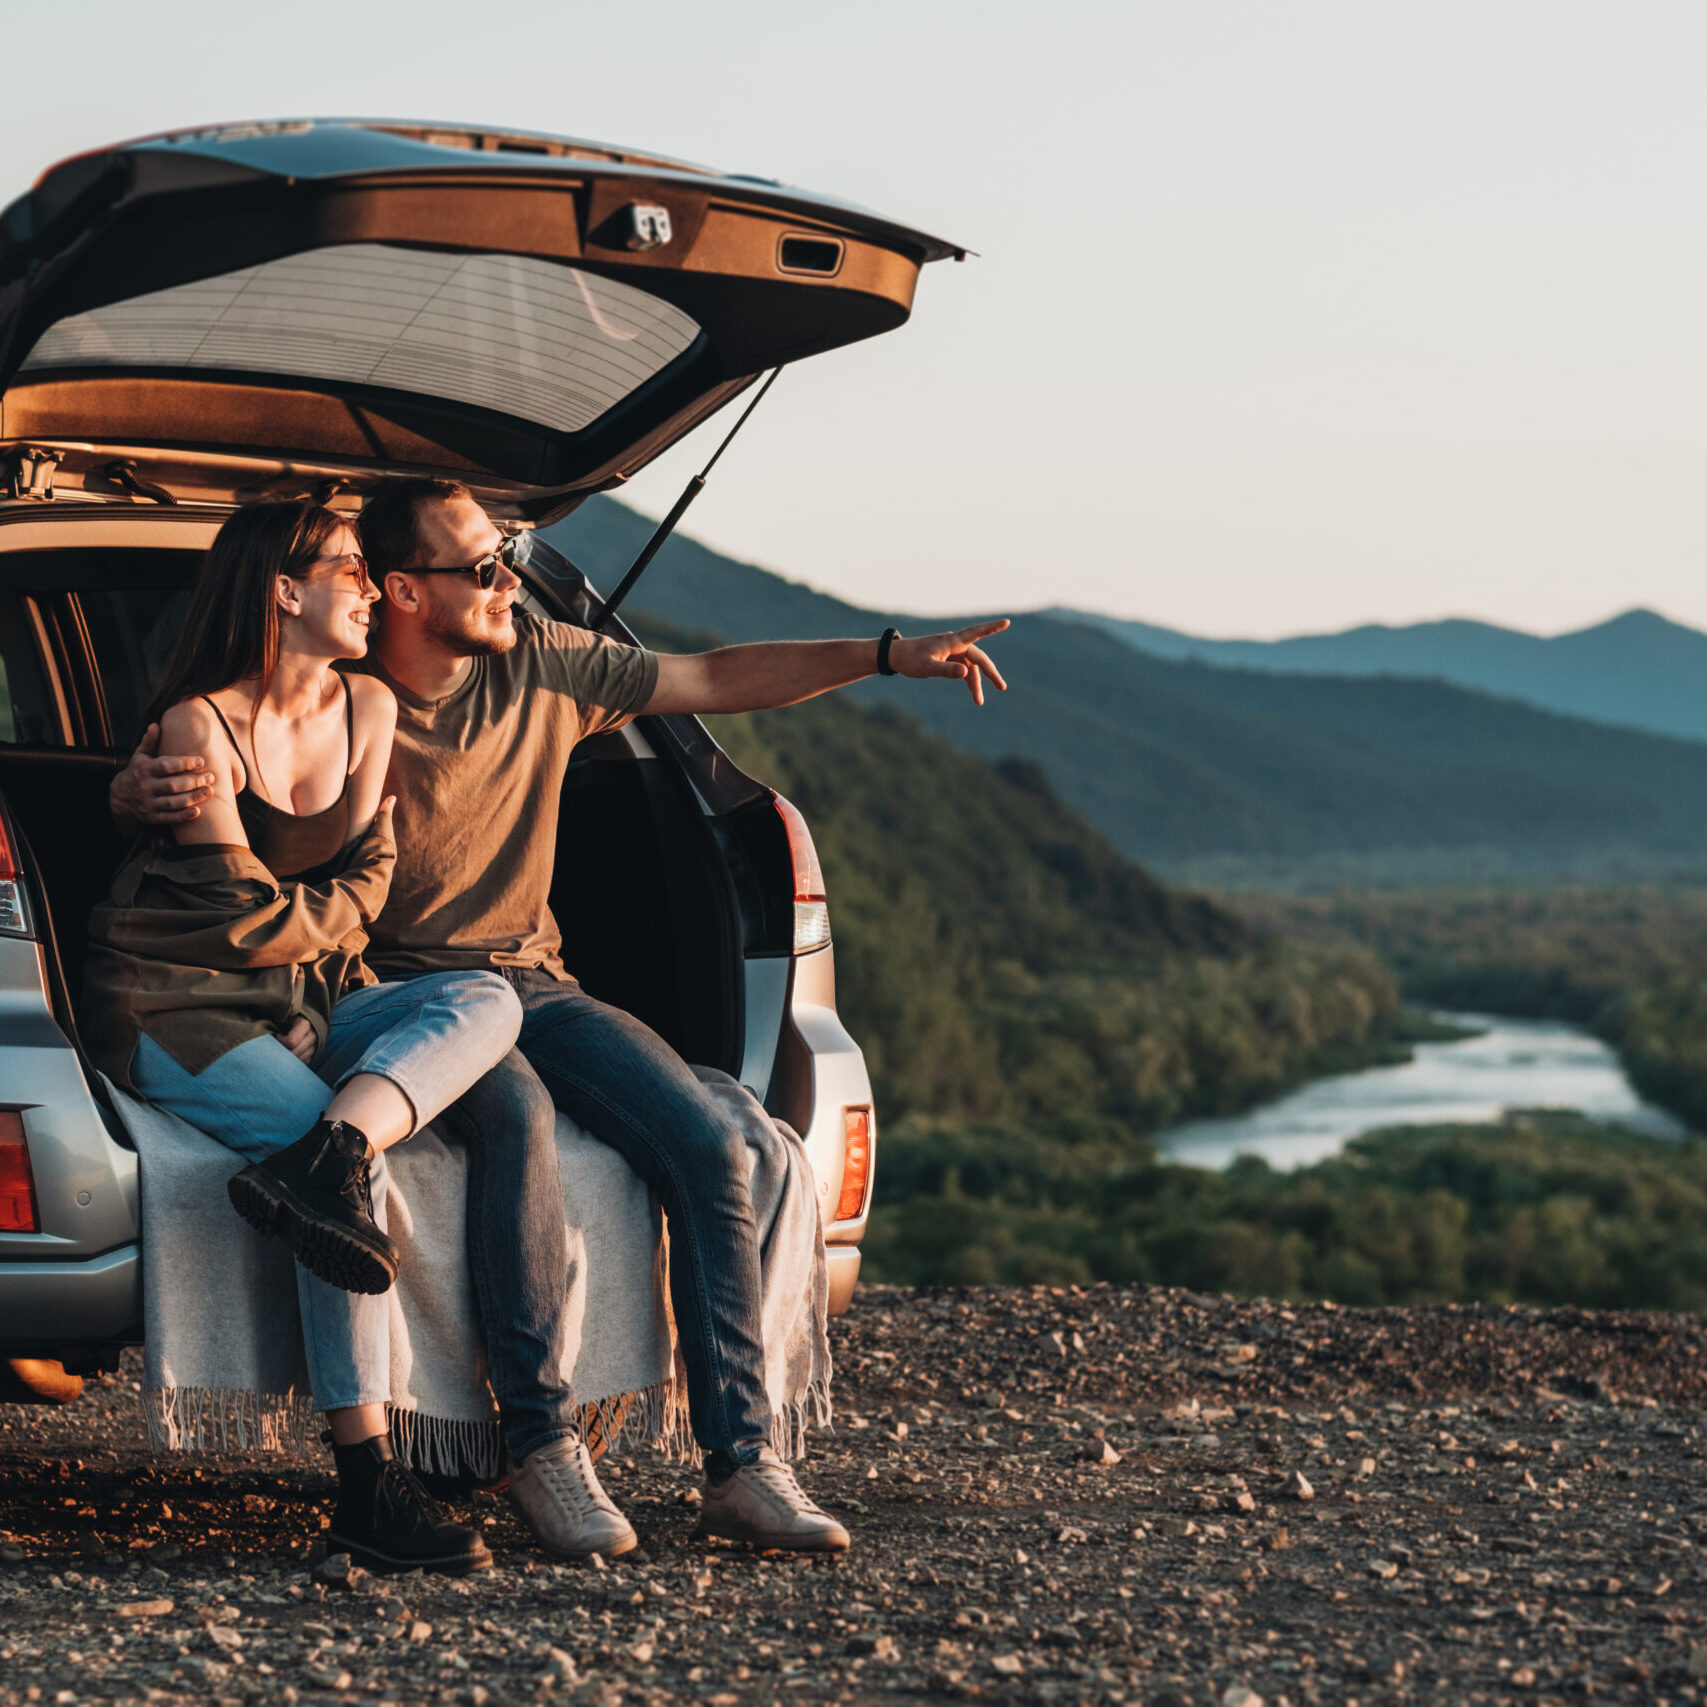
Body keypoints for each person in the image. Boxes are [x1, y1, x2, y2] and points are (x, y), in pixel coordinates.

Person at [115, 477, 1009, 1560]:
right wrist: (138, 787)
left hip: (531, 979)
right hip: (389, 992)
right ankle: (543, 1447)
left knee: (713, 1137)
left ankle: (742, 1461)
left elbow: (714, 677)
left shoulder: (538, 661)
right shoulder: (341, 679)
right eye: (481, 566)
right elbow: (245, 758)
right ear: (399, 589)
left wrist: (885, 654)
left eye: (507, 560)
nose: (508, 581)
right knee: (517, 1122)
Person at [90, 498, 527, 1573]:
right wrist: (337, 919)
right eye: (350, 569)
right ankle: (369, 1484)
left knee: (487, 1003)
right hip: (172, 998)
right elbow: (244, 918)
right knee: (359, 1202)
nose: (374, 588)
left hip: (296, 995)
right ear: (285, 590)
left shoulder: (370, 707)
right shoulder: (200, 727)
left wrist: (316, 1008)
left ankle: (331, 1151)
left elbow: (349, 911)